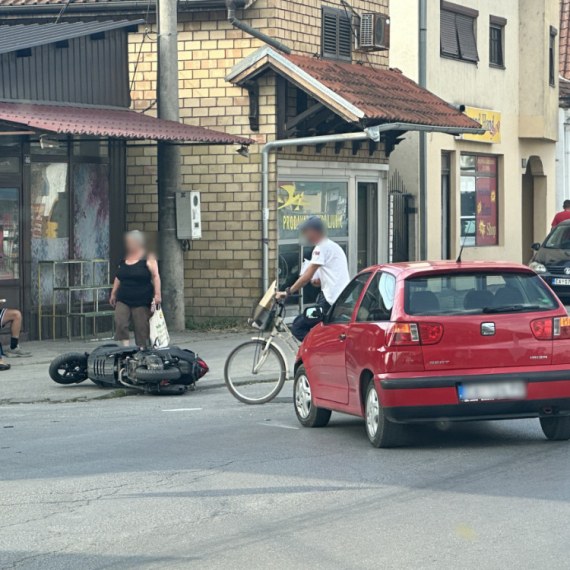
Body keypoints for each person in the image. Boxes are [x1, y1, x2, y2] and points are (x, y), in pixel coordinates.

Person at [276, 215, 350, 341]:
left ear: (314, 231)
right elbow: (324, 278)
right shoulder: (329, 246)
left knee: (298, 326)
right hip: (334, 298)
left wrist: (287, 292)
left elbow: (306, 276)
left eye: (305, 231)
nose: (304, 235)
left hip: (331, 301)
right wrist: (317, 282)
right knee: (312, 326)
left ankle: (317, 353)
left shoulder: (321, 247)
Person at [109, 231, 162, 348]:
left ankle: (142, 349)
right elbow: (119, 276)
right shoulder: (124, 258)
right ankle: (126, 348)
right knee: (120, 321)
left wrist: (157, 294)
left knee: (141, 326)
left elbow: (155, 276)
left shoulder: (148, 257)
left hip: (142, 298)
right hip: (123, 297)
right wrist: (113, 293)